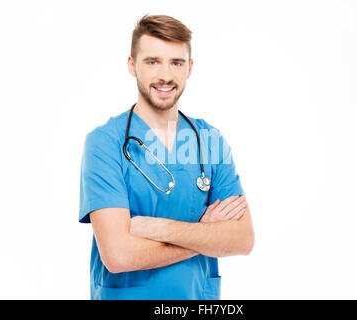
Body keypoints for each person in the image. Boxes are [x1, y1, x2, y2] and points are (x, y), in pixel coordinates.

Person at [79, 14, 254, 300]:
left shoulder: (209, 140)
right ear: (132, 66)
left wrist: (157, 227)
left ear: (190, 68)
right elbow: (118, 255)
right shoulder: (104, 143)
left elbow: (243, 239)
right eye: (152, 62)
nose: (165, 75)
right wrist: (205, 235)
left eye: (176, 62)